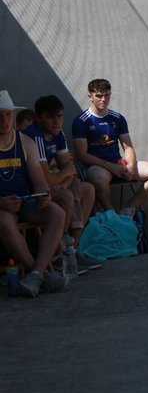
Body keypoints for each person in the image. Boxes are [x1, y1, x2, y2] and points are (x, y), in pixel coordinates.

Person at [0, 90, 68, 297]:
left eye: (7, 114)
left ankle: (36, 274)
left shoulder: (25, 142)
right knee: (3, 219)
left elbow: (39, 181)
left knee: (57, 212)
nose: (4, 120)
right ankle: (37, 273)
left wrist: (43, 195)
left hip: (25, 201)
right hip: (3, 206)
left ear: (13, 114)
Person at [71, 78, 148, 216]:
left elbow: (128, 147)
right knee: (99, 178)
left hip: (118, 164)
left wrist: (131, 165)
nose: (103, 99)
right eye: (99, 96)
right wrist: (110, 166)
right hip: (96, 167)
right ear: (90, 96)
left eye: (107, 95)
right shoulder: (82, 121)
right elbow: (82, 155)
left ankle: (129, 209)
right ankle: (111, 215)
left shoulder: (117, 118)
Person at [26, 95, 102, 269]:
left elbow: (70, 170)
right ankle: (59, 254)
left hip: (56, 185)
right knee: (67, 195)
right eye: (50, 116)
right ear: (38, 118)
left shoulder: (58, 133)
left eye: (59, 116)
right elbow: (48, 179)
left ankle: (72, 251)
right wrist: (65, 175)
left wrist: (64, 178)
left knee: (88, 189)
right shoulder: (34, 135)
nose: (56, 121)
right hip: (34, 191)